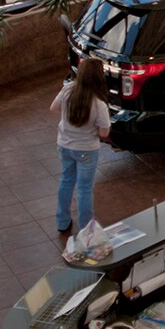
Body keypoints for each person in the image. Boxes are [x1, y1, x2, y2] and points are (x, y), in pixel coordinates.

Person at [49, 59, 111, 232]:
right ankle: (86, 227)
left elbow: (53, 108)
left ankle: (62, 222)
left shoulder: (68, 89)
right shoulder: (98, 103)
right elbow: (104, 133)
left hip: (64, 145)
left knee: (66, 181)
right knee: (84, 188)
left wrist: (67, 120)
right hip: (86, 150)